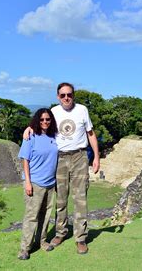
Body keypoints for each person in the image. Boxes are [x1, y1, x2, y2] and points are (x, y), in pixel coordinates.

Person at [24, 82, 100, 255]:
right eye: (63, 95)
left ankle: (80, 237)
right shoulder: (54, 112)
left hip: (80, 156)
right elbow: (42, 123)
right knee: (61, 200)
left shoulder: (82, 110)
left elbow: (90, 134)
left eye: (69, 94)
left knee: (80, 199)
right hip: (60, 158)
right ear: (58, 96)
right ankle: (60, 233)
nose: (66, 98)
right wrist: (29, 128)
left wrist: (96, 156)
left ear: (74, 95)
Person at [17, 108, 58, 260]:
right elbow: (25, 160)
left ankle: (41, 241)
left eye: (47, 119)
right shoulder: (31, 136)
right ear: (36, 120)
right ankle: (24, 248)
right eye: (41, 120)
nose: (45, 122)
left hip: (50, 183)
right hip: (34, 182)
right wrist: (27, 182)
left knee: (45, 215)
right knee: (31, 216)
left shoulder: (54, 135)